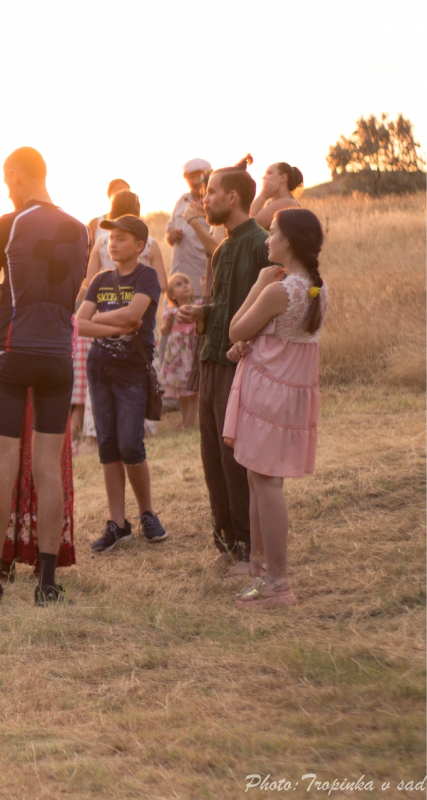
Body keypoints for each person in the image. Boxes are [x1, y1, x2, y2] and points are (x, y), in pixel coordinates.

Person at [0, 146, 88, 605]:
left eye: (6, 181)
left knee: (3, 466)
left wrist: (5, 300)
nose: (7, 190)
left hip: (12, 353)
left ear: (16, 175)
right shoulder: (80, 228)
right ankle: (48, 584)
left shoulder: (7, 224)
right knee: (48, 470)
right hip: (59, 354)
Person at [223, 208, 327, 609]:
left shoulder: (277, 288)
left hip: (268, 395)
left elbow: (236, 328)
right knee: (261, 481)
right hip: (289, 394)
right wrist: (251, 343)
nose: (267, 239)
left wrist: (257, 284)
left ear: (290, 241)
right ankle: (260, 572)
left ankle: (278, 583)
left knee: (265, 484)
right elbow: (278, 334)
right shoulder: (317, 289)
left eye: (273, 233)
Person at [177, 166, 272, 576]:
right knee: (212, 456)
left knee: (237, 457)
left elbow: (273, 305)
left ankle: (251, 549)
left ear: (233, 197)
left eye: (212, 192)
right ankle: (228, 543)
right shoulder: (220, 250)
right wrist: (202, 311)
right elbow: (225, 305)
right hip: (210, 362)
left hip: (243, 365)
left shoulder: (261, 245)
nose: (205, 200)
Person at [76, 215, 168, 551]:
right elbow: (79, 325)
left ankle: (147, 513)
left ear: (140, 245)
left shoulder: (148, 277)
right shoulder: (100, 280)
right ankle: (118, 523)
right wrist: (114, 327)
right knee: (108, 445)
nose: (112, 243)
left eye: (122, 238)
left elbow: (134, 315)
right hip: (100, 369)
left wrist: (100, 319)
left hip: (132, 371)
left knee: (131, 444)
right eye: (110, 238)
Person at [0, 317, 77, 576]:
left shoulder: (64, 317)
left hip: (45, 405)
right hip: (4, 398)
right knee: (3, 475)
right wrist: (3, 360)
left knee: (44, 474)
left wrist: (10, 359)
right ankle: (2, 558)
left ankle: (43, 559)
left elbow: (66, 353)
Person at [166, 159, 218, 301]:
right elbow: (168, 233)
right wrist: (171, 235)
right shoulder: (182, 200)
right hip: (176, 281)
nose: (195, 181)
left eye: (199, 176)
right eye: (191, 177)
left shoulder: (213, 203)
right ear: (185, 178)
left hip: (200, 280)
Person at [159, 274, 199, 430]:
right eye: (179, 284)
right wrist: (167, 322)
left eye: (186, 282)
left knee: (192, 391)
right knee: (182, 392)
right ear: (172, 295)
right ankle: (185, 421)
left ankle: (190, 422)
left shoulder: (198, 308)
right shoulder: (171, 312)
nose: (185, 285)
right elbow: (163, 332)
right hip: (177, 357)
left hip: (191, 354)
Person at [250, 162, 303, 231]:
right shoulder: (270, 202)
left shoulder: (287, 203)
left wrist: (263, 195)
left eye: (269, 173)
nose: (264, 177)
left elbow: (254, 222)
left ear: (283, 178)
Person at [88, 179, 131, 245]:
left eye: (126, 193)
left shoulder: (137, 223)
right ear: (109, 194)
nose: (122, 196)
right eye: (118, 191)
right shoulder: (95, 223)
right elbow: (89, 252)